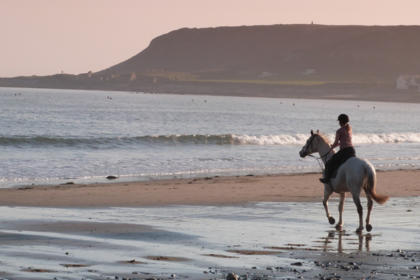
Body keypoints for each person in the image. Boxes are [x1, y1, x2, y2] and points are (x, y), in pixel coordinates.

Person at [319, 114, 356, 184]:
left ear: (341, 121)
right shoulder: (350, 129)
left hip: (344, 151)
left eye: (339, 121)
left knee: (329, 163)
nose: (338, 123)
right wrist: (335, 145)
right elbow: (344, 141)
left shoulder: (339, 131)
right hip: (352, 150)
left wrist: (331, 148)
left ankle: (327, 179)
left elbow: (336, 142)